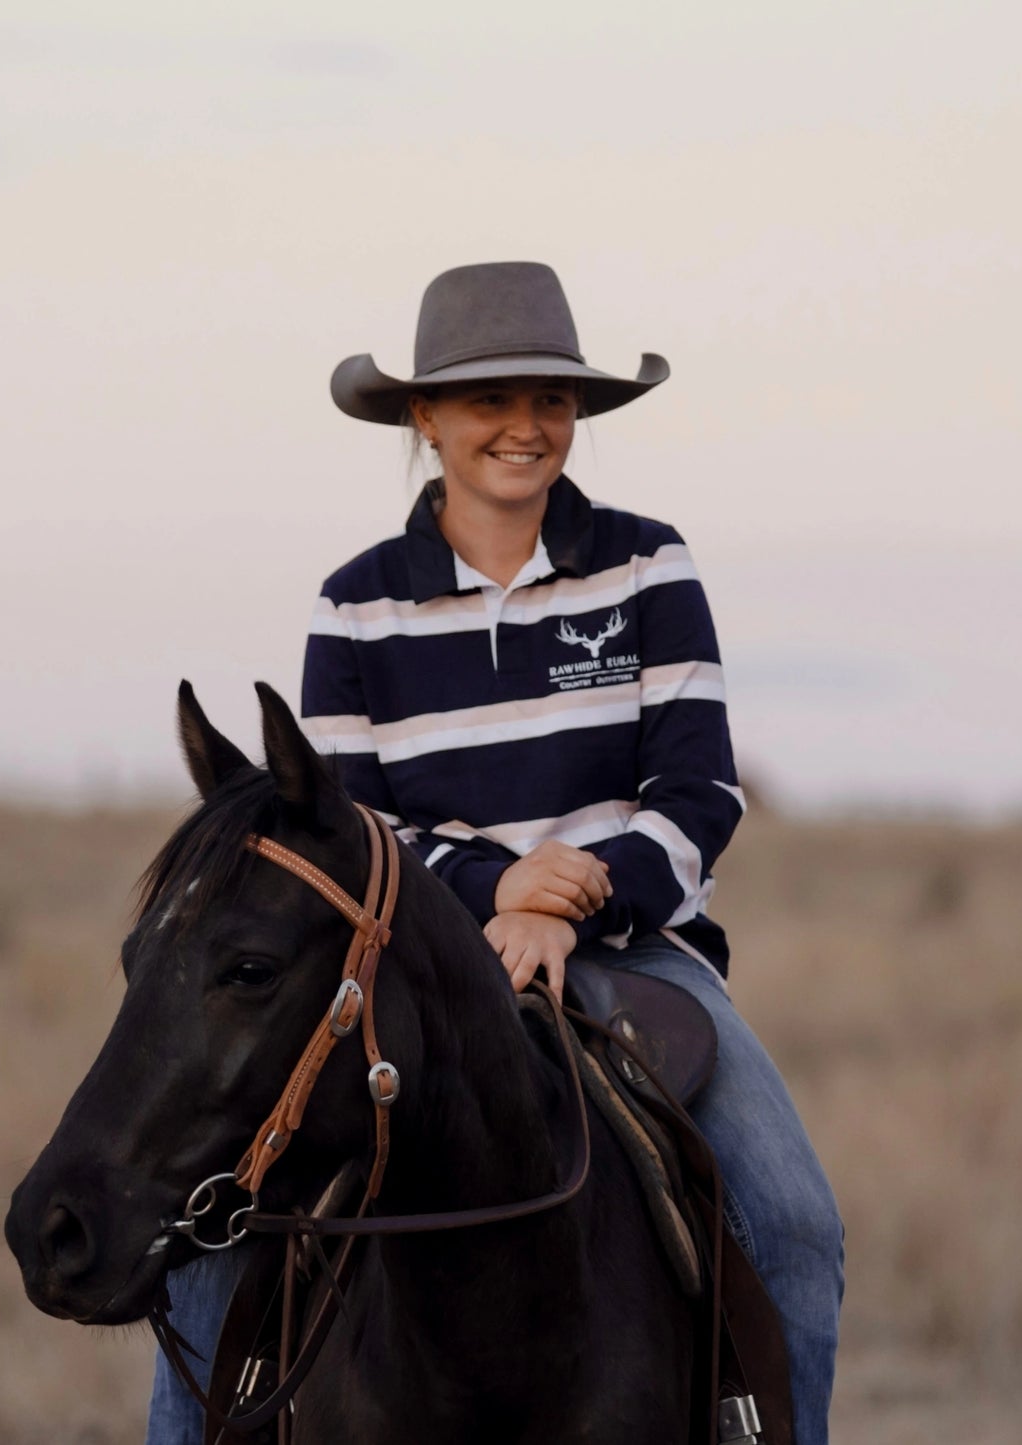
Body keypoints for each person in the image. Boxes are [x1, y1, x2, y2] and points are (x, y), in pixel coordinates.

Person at [146, 262, 844, 1445]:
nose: (525, 426)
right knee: (216, 1221)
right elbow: (348, 826)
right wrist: (491, 888)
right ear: (424, 419)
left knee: (789, 1220)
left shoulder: (647, 565)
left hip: (638, 959)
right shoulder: (354, 605)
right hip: (406, 966)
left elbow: (697, 789)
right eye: (487, 400)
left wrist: (567, 907)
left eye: (551, 399)